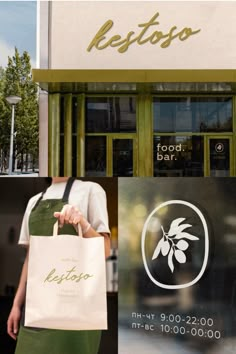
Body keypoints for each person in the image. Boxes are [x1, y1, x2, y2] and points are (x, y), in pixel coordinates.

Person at [7, 177, 111, 354]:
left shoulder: (91, 190)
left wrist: (82, 223)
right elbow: (31, 258)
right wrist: (17, 304)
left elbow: (105, 250)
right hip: (37, 308)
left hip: (76, 310)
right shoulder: (34, 201)